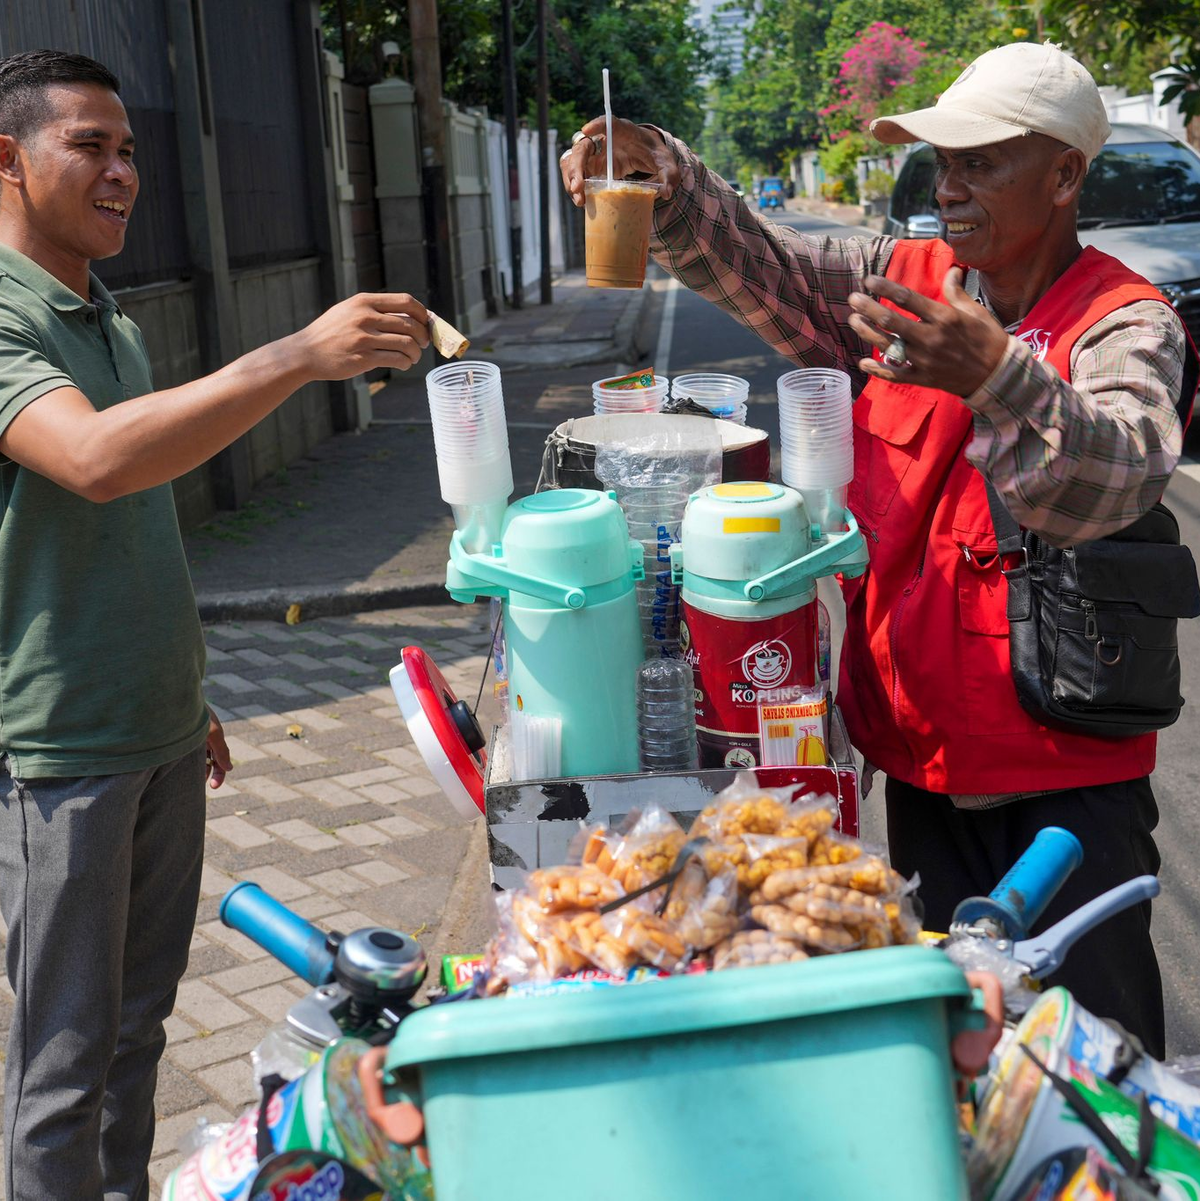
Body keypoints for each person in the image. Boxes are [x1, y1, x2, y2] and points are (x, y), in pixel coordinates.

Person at [561, 41, 1197, 1057]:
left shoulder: (1125, 323)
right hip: (920, 770)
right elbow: (763, 267)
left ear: (1066, 174)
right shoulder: (902, 280)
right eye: (943, 164)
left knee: (1091, 1075)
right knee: (954, 1067)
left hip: (1066, 788)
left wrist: (1001, 380)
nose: (950, 188)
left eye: (981, 163)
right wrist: (662, 181)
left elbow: (1118, 476)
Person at [0, 50, 429, 1199]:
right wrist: (295, 355)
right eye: (89, 144)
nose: (123, 171)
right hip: (60, 748)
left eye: (130, 148)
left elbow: (139, 514)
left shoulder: (109, 315)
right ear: (8, 160)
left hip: (156, 726)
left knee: (138, 1035)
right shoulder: (2, 320)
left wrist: (188, 692)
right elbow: (90, 462)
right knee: (62, 1062)